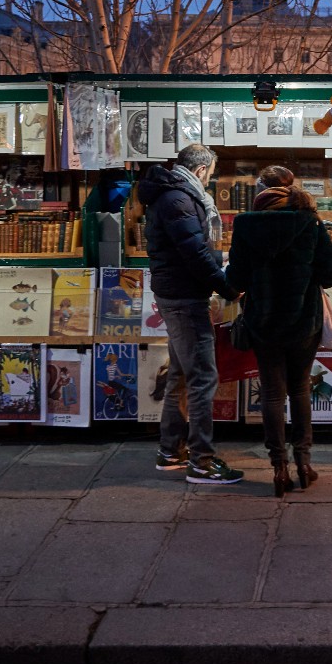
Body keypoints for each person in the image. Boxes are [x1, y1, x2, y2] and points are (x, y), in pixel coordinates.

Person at [226, 166, 332, 496]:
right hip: (303, 322)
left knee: (272, 394)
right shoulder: (309, 221)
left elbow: (235, 281)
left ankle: (279, 468)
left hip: (264, 323)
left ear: (260, 191)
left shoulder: (245, 225)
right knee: (300, 390)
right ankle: (304, 465)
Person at [140, 143, 242, 484]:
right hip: (185, 298)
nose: (210, 182)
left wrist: (218, 264)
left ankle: (170, 451)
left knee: (181, 375)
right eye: (210, 175)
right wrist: (228, 286)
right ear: (200, 171)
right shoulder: (179, 199)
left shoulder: (171, 194)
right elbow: (194, 252)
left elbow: (194, 249)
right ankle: (202, 461)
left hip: (175, 294)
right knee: (201, 378)